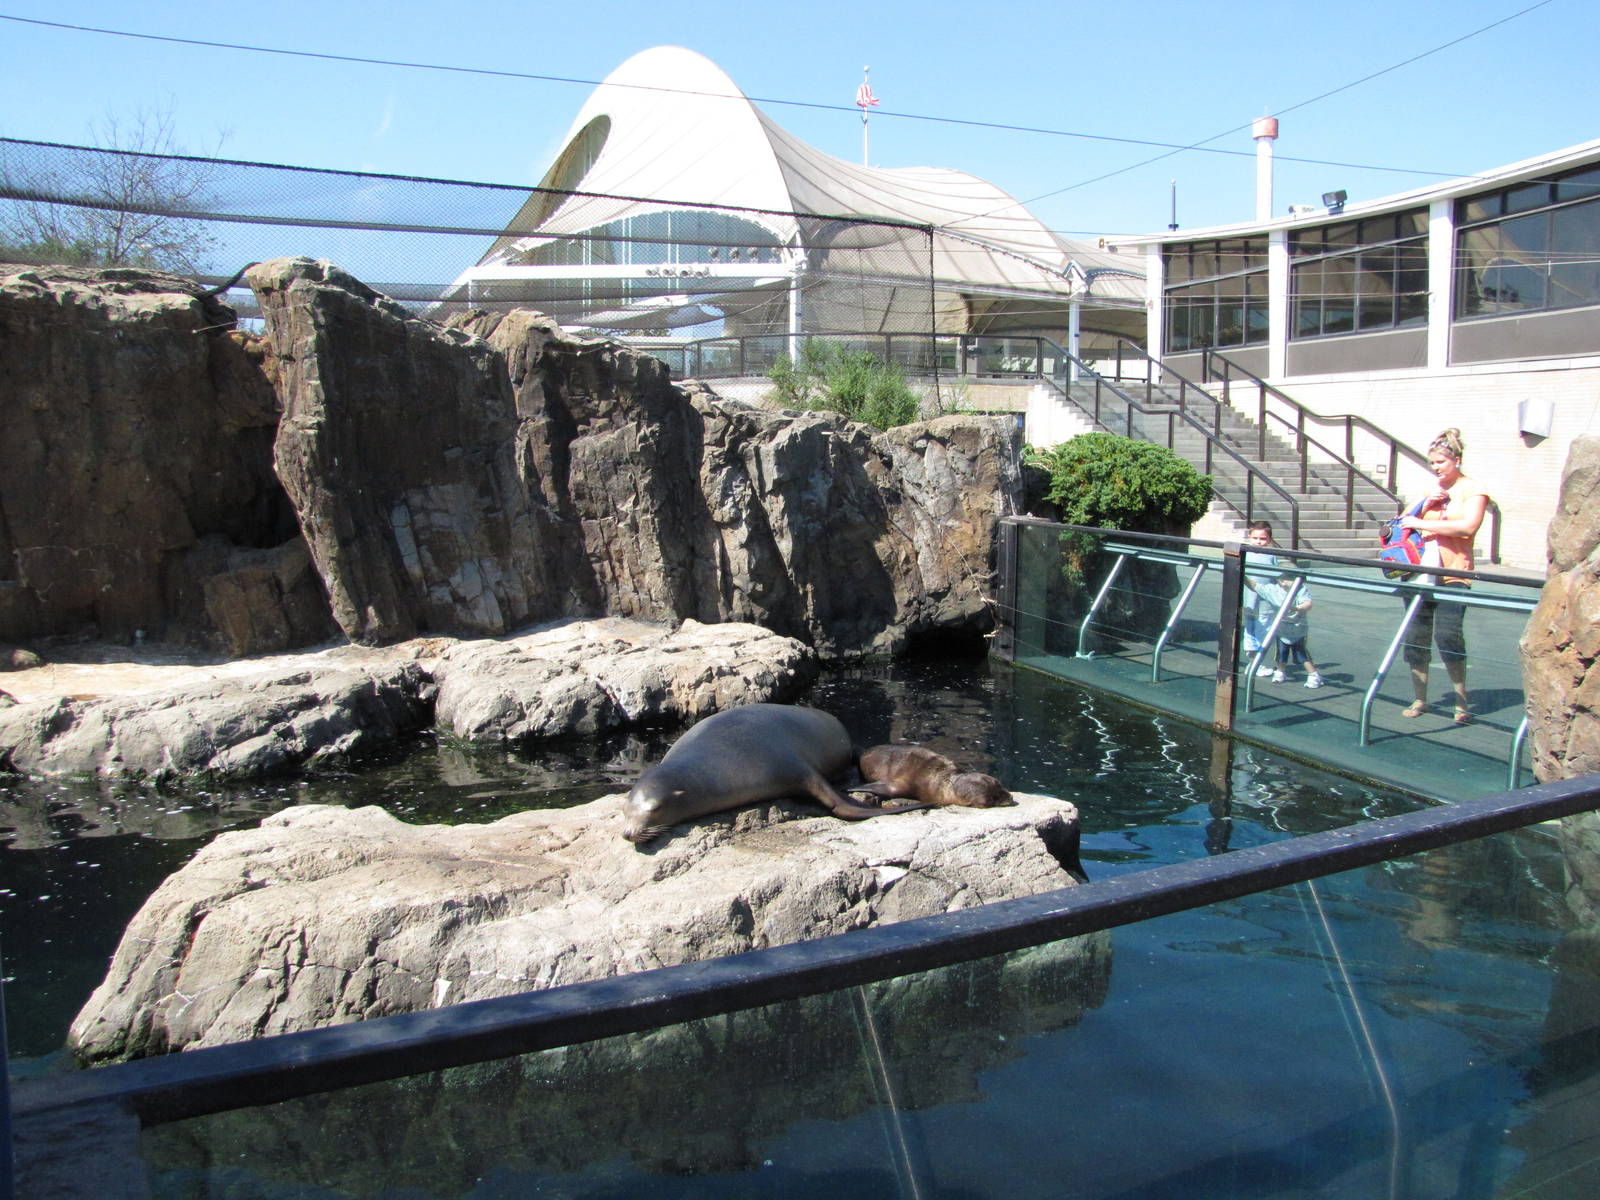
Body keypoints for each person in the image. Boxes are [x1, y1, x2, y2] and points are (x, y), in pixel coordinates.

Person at [1396, 427, 1491, 725]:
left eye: (1441, 463)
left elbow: (1467, 527)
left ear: (1457, 460)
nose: (1436, 468)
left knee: (1449, 635)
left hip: (1454, 572)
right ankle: (1420, 698)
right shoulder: (1429, 491)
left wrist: (1429, 524)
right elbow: (1403, 524)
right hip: (1421, 572)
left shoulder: (1473, 490)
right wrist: (1425, 505)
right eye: (1433, 463)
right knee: (1416, 637)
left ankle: (1461, 703)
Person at [1256, 569, 1325, 688]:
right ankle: (1280, 671)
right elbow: (1255, 586)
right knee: (1281, 653)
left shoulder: (1301, 589)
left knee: (1301, 654)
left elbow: (1308, 603)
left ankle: (1313, 674)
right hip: (1281, 629)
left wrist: (1296, 608)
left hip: (1298, 629)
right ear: (1281, 580)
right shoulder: (1273, 590)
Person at [1240, 521, 1280, 676]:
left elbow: (1276, 576)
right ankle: (1254, 661)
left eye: (1262, 539)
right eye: (1255, 538)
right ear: (1249, 537)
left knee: (1262, 628)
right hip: (1249, 599)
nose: (1258, 541)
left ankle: (1256, 661)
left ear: (1269, 539)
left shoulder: (1271, 555)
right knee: (1252, 628)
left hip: (1265, 600)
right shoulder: (1245, 553)